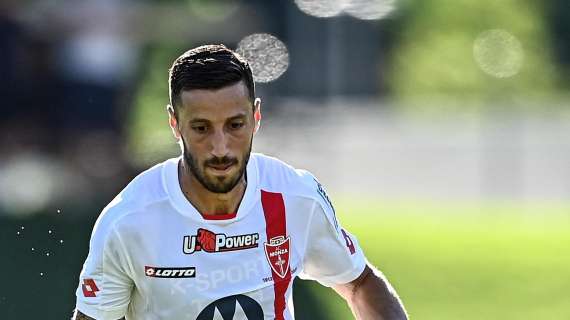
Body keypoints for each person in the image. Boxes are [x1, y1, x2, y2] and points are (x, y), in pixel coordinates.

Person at [73, 44, 408, 320]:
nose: (220, 148)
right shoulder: (129, 220)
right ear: (175, 125)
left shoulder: (295, 196)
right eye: (201, 128)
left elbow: (360, 282)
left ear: (256, 117)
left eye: (235, 125)